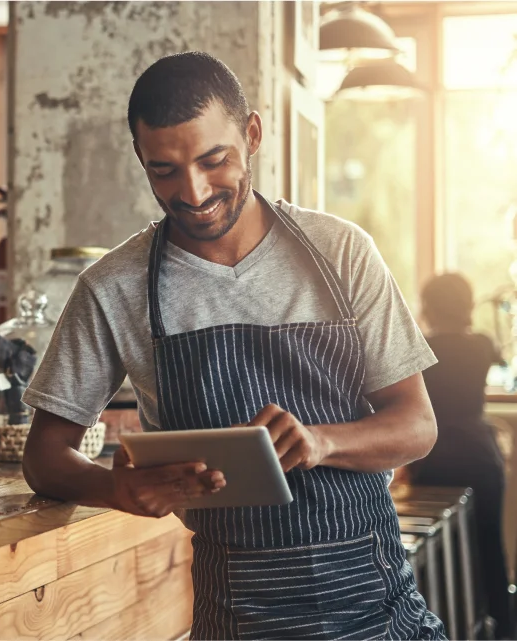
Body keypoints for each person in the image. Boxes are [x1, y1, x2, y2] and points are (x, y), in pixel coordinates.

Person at [22, 51, 445, 640]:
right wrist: (113, 487)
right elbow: (45, 455)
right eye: (163, 170)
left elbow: (417, 426)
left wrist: (321, 441)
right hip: (238, 619)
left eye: (212, 160)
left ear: (251, 134)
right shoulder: (114, 287)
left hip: (378, 610)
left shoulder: (341, 253)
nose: (192, 191)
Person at [409, 272, 513, 639]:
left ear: (430, 306)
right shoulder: (481, 344)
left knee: (440, 553)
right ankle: (503, 627)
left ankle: (442, 624)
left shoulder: (420, 345)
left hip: (434, 456)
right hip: (479, 455)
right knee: (490, 546)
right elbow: (502, 359)